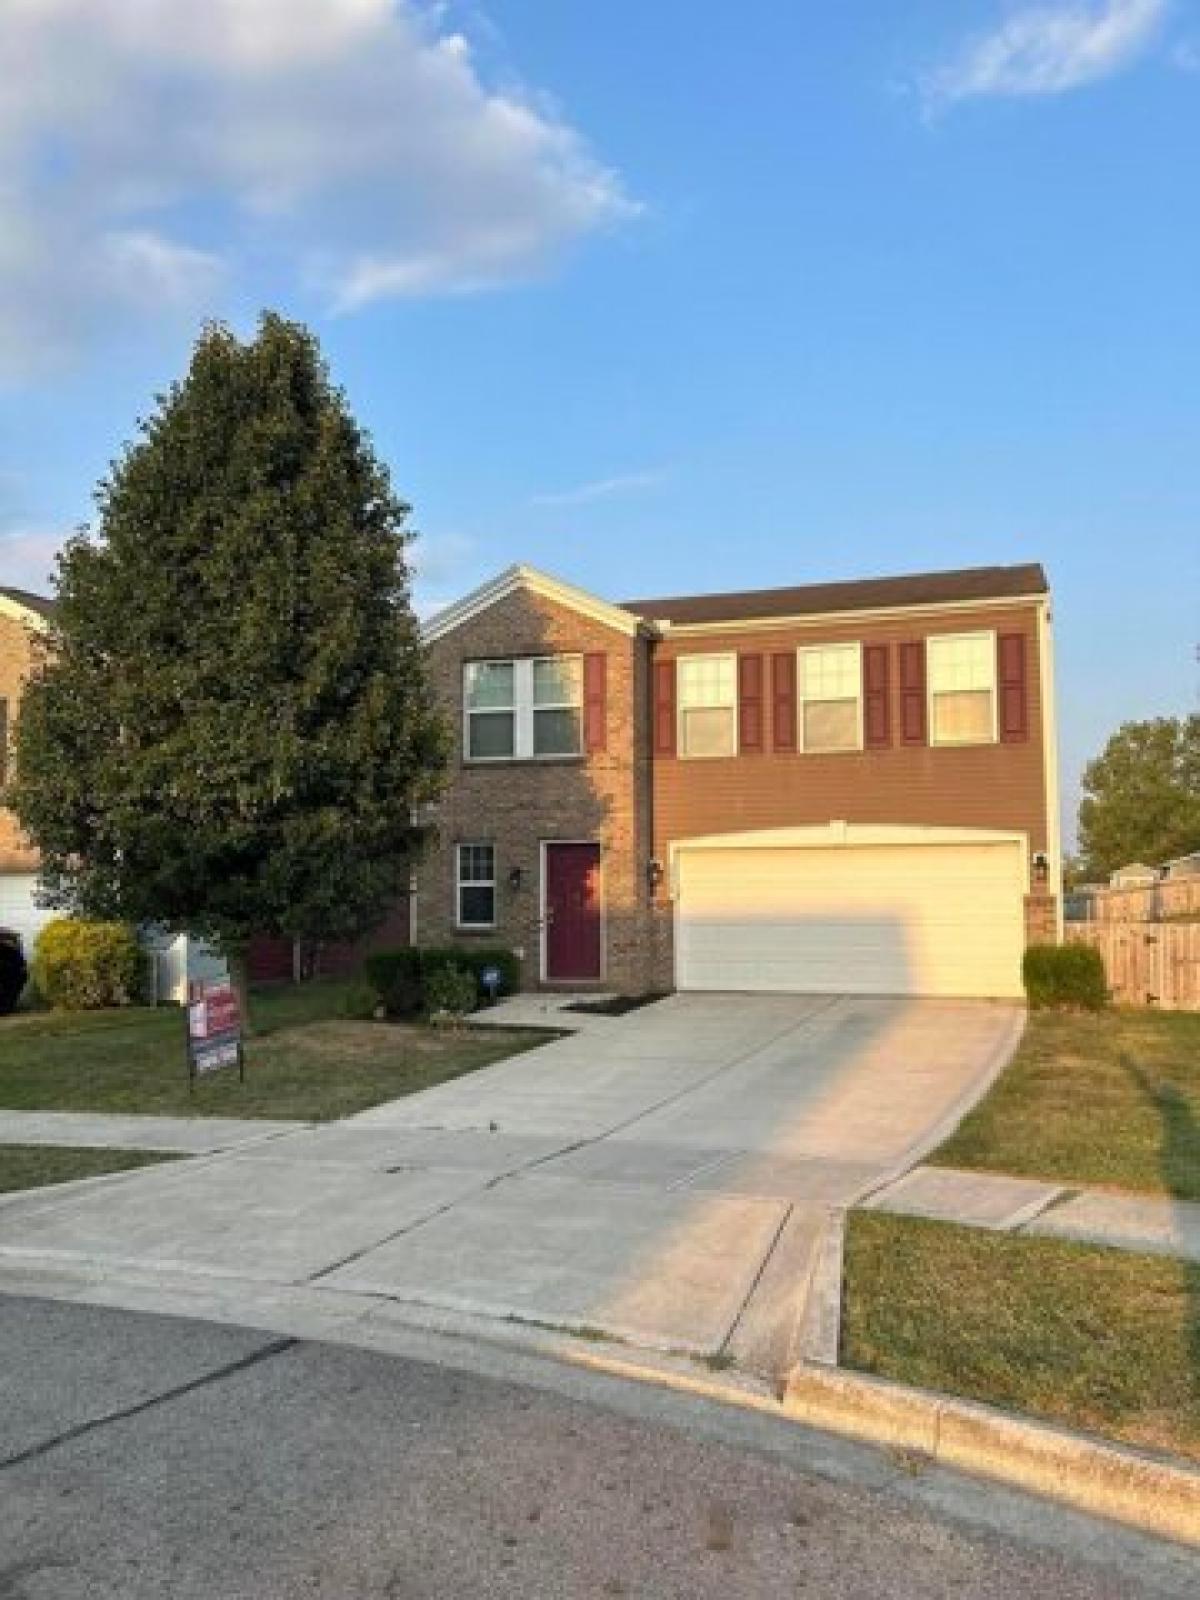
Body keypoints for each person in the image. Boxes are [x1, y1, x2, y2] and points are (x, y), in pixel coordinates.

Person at [0, 927, 28, 1016]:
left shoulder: (12, 950)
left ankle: (6, 1008)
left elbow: (21, 964)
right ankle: (6, 1008)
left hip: (13, 971)